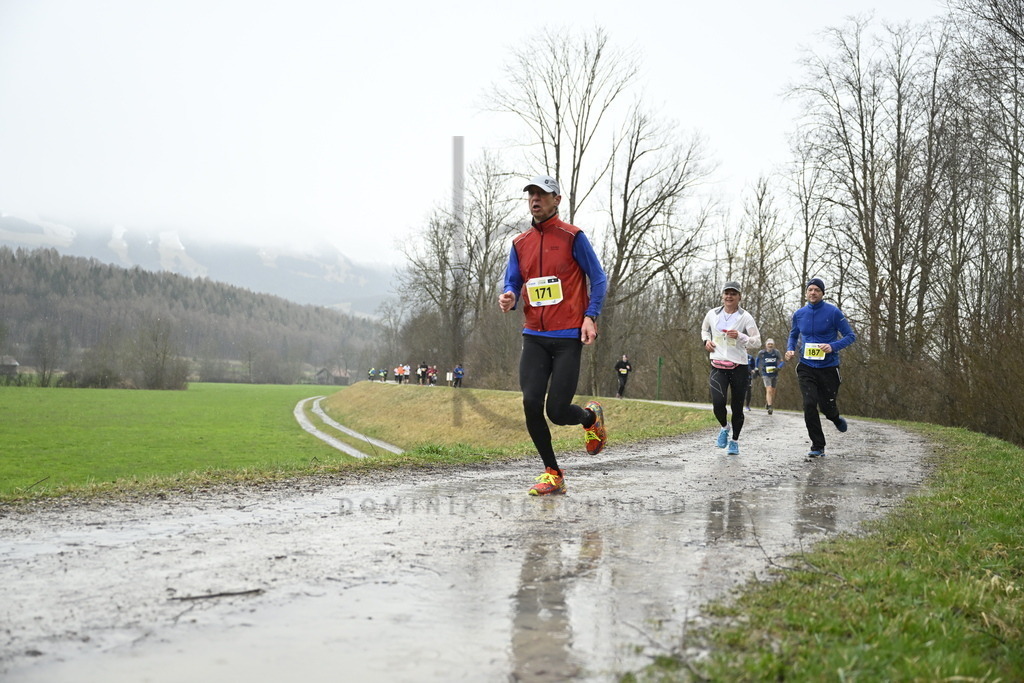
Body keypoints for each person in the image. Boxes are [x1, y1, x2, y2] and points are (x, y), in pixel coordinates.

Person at [498, 174, 608, 496]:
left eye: (542, 195)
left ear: (556, 200)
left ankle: (589, 417)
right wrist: (509, 295)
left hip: (566, 337)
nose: (535, 199)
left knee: (557, 412)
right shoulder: (520, 243)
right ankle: (552, 473)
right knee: (531, 402)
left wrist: (591, 317)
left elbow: (598, 279)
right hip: (533, 334)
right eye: (531, 194)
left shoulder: (573, 237)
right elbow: (513, 282)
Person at [784, 277, 857, 458]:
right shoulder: (799, 314)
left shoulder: (833, 312)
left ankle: (834, 417)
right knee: (809, 404)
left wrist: (832, 346)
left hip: (829, 367)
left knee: (827, 407)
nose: (813, 292)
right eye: (810, 290)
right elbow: (793, 335)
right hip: (807, 366)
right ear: (806, 293)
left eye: (817, 290)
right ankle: (818, 445)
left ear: (823, 293)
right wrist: (790, 350)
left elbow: (850, 336)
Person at [700, 281, 761, 456]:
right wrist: (706, 341)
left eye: (733, 294)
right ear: (722, 296)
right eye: (727, 293)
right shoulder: (712, 314)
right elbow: (704, 330)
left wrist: (741, 336)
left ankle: (734, 441)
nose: (729, 296)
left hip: (739, 367)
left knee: (737, 407)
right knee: (718, 403)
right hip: (718, 365)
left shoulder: (745, 317)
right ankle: (725, 427)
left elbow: (757, 341)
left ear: (739, 297)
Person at [755, 339, 785, 414]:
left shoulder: (776, 352)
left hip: (774, 373)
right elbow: (757, 360)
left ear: (773, 345)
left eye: (771, 344)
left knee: (773, 391)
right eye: (769, 344)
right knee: (769, 390)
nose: (770, 345)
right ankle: (770, 406)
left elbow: (782, 361)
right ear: (766, 345)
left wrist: (779, 367)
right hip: (765, 373)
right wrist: (756, 368)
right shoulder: (762, 353)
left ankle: (768, 403)